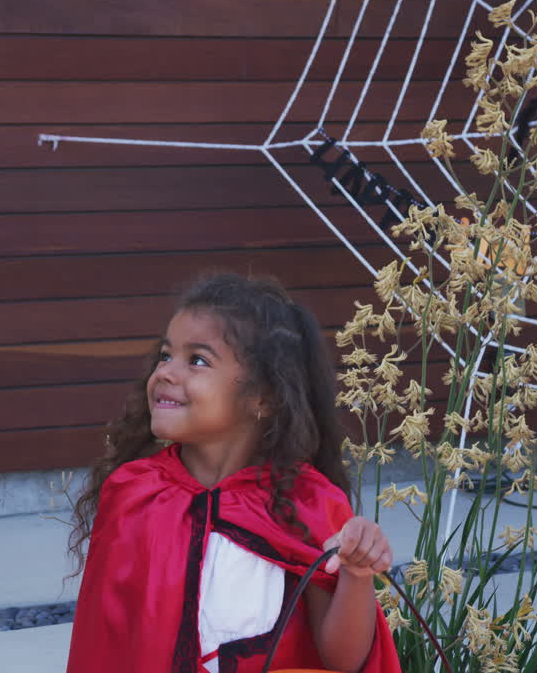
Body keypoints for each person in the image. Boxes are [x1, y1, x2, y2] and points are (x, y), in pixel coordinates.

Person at [66, 273, 402, 673]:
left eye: (198, 360)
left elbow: (342, 661)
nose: (166, 373)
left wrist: (356, 574)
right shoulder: (134, 492)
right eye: (165, 355)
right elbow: (103, 649)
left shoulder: (307, 502)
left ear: (264, 397)